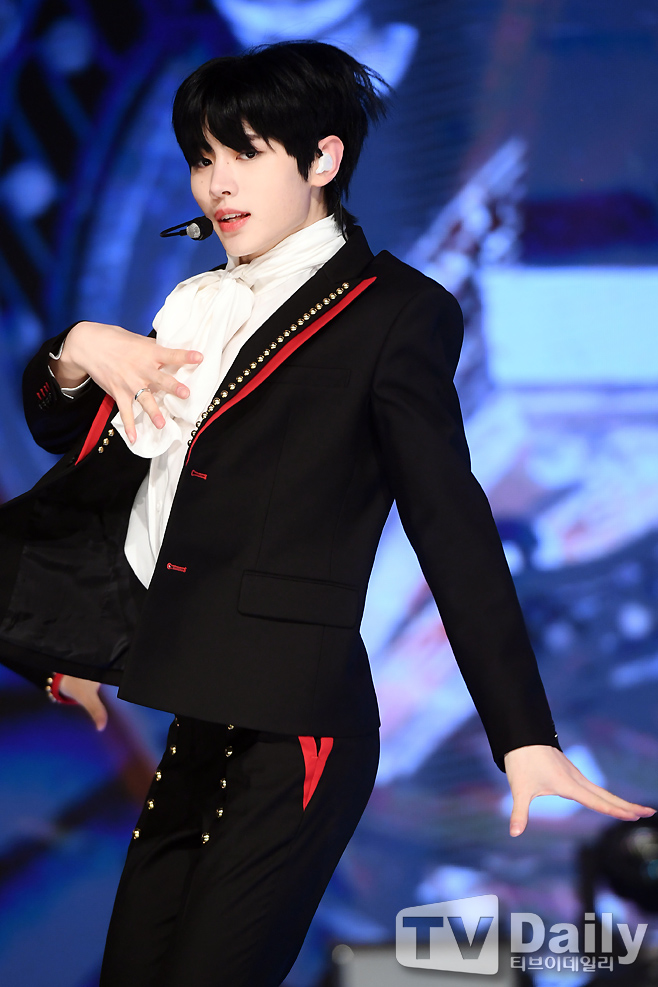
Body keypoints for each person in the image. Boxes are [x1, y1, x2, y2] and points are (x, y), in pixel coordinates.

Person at [1, 40, 653, 987]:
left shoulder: (396, 313)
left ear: (322, 159)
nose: (218, 183)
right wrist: (77, 348)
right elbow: (99, 462)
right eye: (203, 158)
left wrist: (523, 735)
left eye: (246, 152)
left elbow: (451, 524)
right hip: (197, 717)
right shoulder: (194, 302)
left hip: (297, 733)